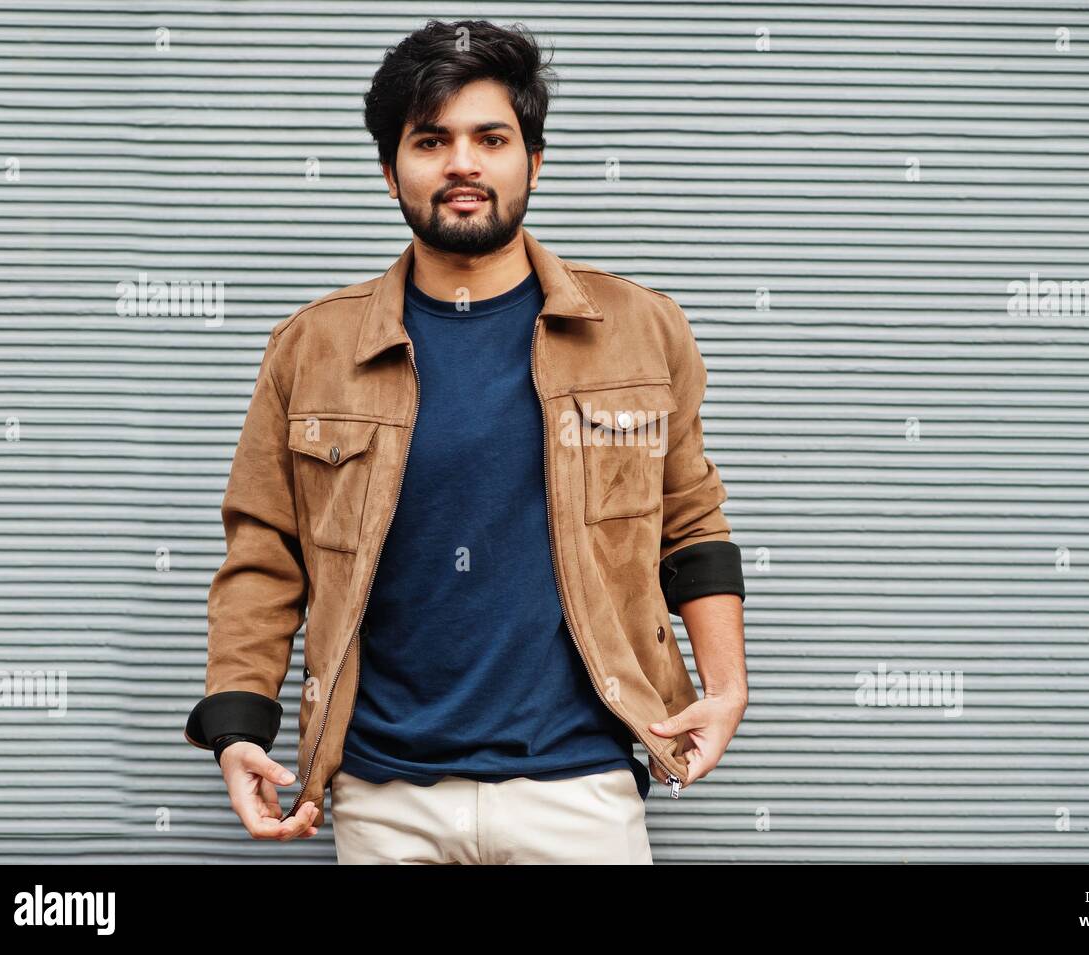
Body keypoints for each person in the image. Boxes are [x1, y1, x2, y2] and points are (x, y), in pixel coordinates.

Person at [184, 18, 747, 864]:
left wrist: (727, 687)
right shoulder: (311, 348)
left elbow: (691, 522)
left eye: (491, 137)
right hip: (384, 794)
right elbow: (264, 553)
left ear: (535, 160)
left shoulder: (641, 330)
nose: (462, 164)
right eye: (430, 140)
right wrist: (237, 729)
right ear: (388, 171)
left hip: (583, 787)